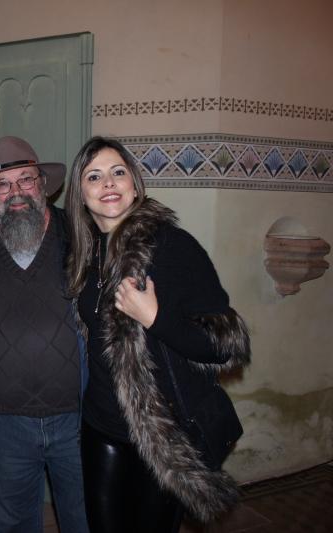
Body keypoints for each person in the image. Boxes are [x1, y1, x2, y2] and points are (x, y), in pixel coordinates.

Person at [64, 136, 251, 532]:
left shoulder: (172, 246)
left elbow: (226, 344)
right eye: (94, 177)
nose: (109, 184)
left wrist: (154, 317)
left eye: (118, 172)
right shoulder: (84, 254)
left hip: (160, 434)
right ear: (80, 194)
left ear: (134, 183)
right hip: (101, 427)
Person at [0, 136, 89, 533]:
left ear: (43, 184)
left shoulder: (82, 238)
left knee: (86, 522)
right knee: (12, 527)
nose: (15, 193)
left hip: (77, 421)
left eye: (25, 180)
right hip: (0, 425)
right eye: (3, 184)